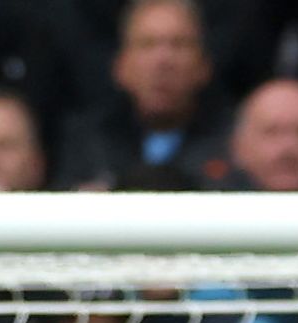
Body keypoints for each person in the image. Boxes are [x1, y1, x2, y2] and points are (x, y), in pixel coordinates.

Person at [57, 0, 230, 188]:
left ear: (204, 66)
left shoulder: (234, 141)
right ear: (121, 67)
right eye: (147, 44)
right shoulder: (88, 142)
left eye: (179, 44)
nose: (163, 61)